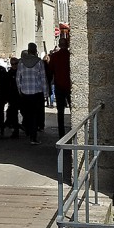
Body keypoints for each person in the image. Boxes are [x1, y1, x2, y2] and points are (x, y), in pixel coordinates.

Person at [16, 42, 48, 145]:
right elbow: (43, 78)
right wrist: (45, 93)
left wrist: (20, 89)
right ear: (35, 50)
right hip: (37, 92)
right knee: (35, 115)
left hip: (25, 92)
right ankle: (33, 137)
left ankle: (28, 131)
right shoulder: (39, 62)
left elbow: (18, 78)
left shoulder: (21, 62)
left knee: (27, 113)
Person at [49, 34, 72, 175]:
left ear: (59, 44)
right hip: (69, 86)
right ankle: (73, 131)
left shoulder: (55, 56)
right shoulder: (69, 55)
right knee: (72, 110)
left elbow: (50, 70)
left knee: (60, 112)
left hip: (59, 86)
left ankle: (61, 133)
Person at [5, 55, 23, 138]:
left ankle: (27, 128)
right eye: (12, 64)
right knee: (13, 114)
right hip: (12, 97)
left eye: (15, 63)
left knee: (25, 113)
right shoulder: (9, 73)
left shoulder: (21, 73)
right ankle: (16, 130)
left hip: (21, 96)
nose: (14, 65)